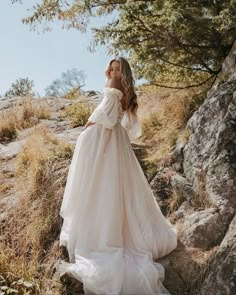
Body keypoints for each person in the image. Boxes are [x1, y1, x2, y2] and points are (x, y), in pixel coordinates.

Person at [59, 56, 178, 295]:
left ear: (123, 71)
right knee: (113, 187)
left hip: (102, 140)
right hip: (111, 141)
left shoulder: (113, 87)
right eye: (111, 68)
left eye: (117, 68)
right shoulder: (125, 89)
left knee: (98, 186)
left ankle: (103, 236)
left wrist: (89, 125)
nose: (113, 72)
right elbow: (126, 123)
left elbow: (110, 118)